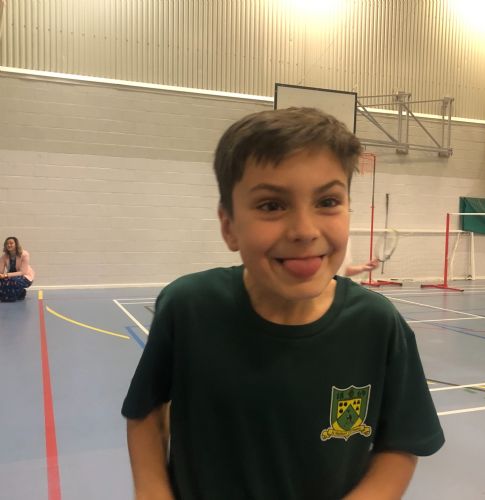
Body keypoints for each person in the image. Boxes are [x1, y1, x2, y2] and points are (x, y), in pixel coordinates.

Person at [122, 107, 444, 499]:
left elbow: (402, 443)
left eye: (328, 201)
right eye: (272, 206)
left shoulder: (377, 324)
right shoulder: (188, 308)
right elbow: (146, 412)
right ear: (229, 226)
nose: (304, 231)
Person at [0, 236, 35, 302]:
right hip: (11, 277)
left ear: (16, 244)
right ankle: (20, 292)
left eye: (11, 243)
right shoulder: (4, 256)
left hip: (25, 277)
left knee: (11, 280)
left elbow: (23, 272)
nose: (9, 245)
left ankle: (12, 296)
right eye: (7, 244)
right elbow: (1, 271)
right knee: (2, 281)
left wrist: (6, 275)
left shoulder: (24, 254)